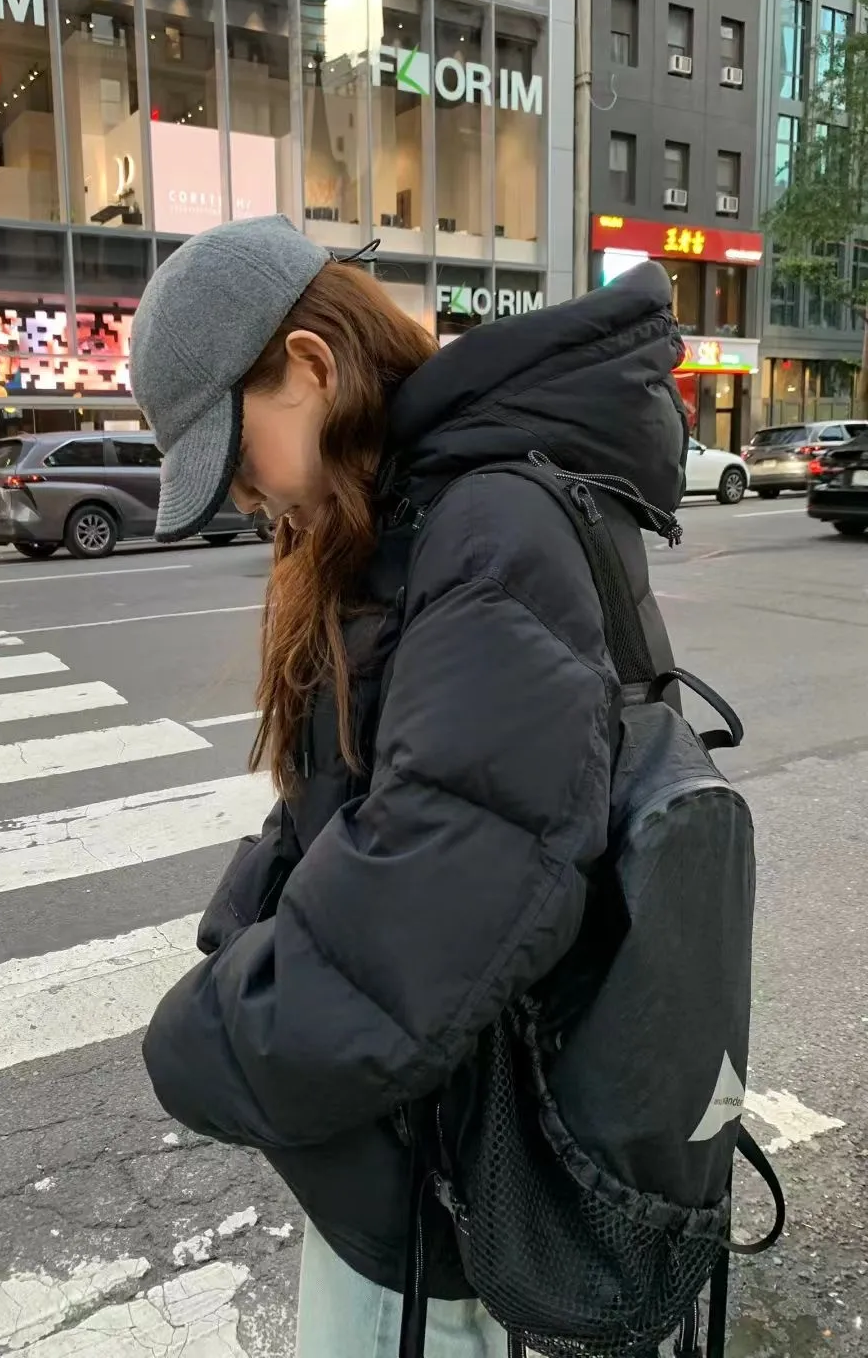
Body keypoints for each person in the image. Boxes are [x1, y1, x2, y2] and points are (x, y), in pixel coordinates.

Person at [133, 215, 687, 1358]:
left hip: (452, 1183)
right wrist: (241, 929)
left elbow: (447, 882)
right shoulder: (415, 510)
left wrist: (201, 1039)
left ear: (310, 366)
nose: (247, 501)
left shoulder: (487, 524)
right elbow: (356, 785)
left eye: (238, 459)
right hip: (420, 1150)